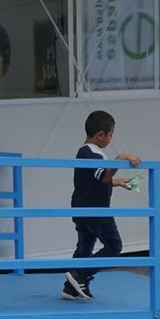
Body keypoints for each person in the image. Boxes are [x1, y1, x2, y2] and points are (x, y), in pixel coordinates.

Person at [62, 110, 142, 301]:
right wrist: (120, 159)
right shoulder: (92, 154)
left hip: (82, 209)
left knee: (84, 247)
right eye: (111, 134)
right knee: (114, 246)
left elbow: (96, 181)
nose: (111, 139)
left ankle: (71, 288)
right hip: (96, 211)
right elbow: (104, 175)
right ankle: (80, 275)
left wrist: (118, 182)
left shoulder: (85, 153)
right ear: (100, 134)